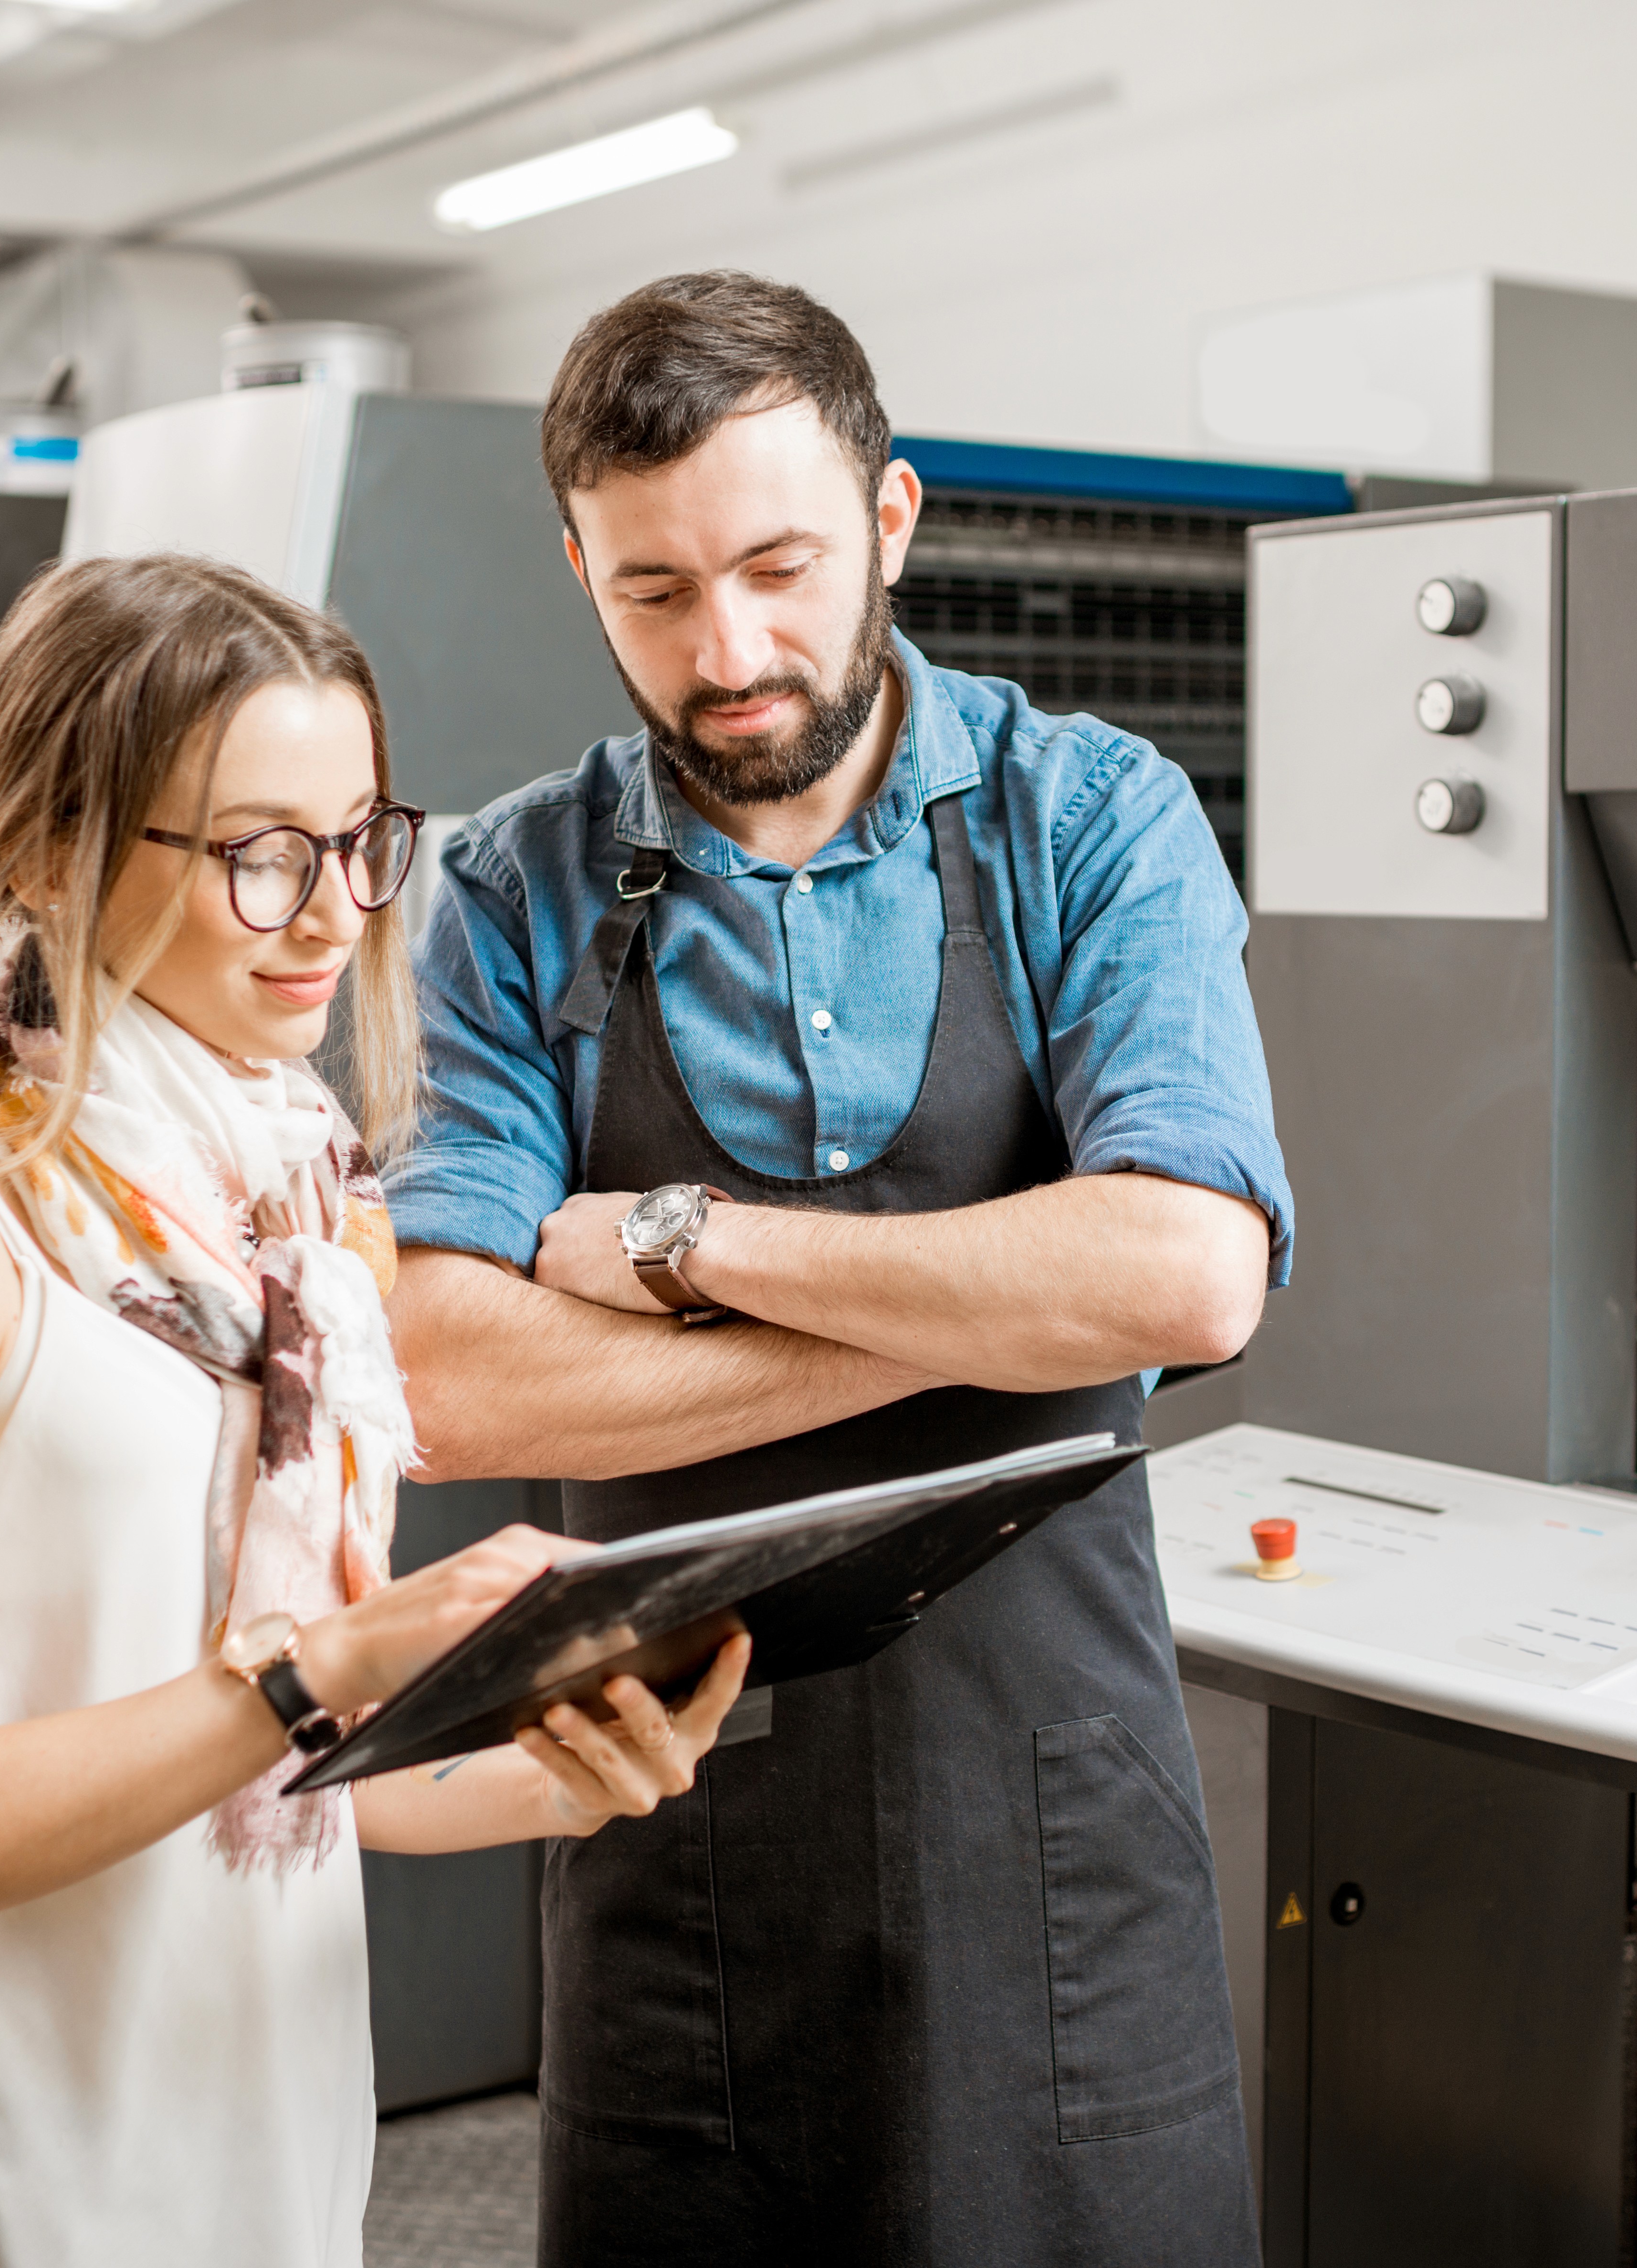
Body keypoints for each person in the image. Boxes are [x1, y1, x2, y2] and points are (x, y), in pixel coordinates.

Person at [387, 274, 1291, 2266]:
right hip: (675, 1829)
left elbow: (1188, 1277)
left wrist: (680, 1246)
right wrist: (1009, 1346)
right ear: (575, 570)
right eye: (652, 593)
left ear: (891, 516)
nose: (728, 651)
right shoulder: (505, 891)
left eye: (781, 566)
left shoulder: (1094, 820)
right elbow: (449, 1371)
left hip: (1051, 1833)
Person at [0, 551, 751, 2268]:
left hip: (274, 2148)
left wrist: (562, 1773)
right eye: (258, 854)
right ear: (64, 850)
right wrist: (311, 1675)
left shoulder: (312, 1225)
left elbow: (302, 1792)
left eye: (362, 840)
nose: (334, 912)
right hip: (8, 2171)